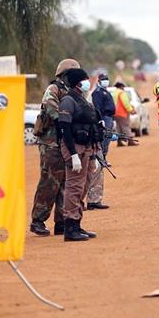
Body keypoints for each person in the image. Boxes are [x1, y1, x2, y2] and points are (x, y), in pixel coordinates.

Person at [29, 59, 80, 236]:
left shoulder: (72, 92)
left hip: (65, 144)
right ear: (65, 74)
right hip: (50, 143)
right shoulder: (54, 89)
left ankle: (62, 221)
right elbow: (53, 111)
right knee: (50, 182)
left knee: (66, 183)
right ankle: (38, 221)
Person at [58, 68, 102, 242]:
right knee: (74, 187)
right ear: (78, 82)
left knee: (84, 186)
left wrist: (95, 154)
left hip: (88, 149)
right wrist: (73, 154)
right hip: (75, 148)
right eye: (85, 79)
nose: (88, 82)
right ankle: (70, 227)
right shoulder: (68, 101)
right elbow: (65, 129)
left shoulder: (83, 100)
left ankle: (77, 223)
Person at [92, 73, 116, 160]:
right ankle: (101, 158)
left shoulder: (106, 91)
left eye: (106, 79)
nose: (105, 81)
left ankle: (104, 157)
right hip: (104, 118)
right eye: (103, 79)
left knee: (108, 138)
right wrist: (100, 120)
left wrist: (113, 119)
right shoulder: (97, 93)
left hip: (109, 117)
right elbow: (97, 108)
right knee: (104, 138)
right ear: (99, 81)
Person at [112, 82, 138, 147]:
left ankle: (119, 141)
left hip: (115, 113)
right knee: (126, 126)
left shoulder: (114, 93)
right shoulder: (121, 93)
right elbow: (125, 103)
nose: (124, 88)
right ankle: (130, 141)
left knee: (119, 127)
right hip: (122, 113)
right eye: (123, 87)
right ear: (121, 87)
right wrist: (131, 110)